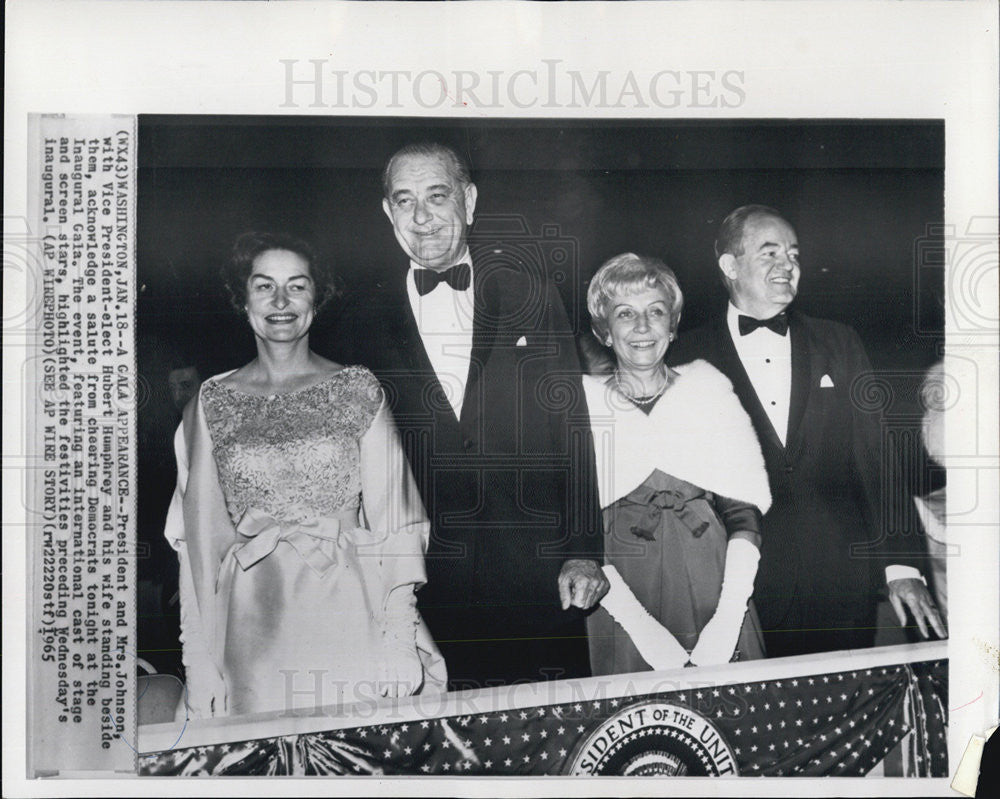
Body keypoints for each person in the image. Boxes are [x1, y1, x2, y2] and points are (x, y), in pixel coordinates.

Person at [321, 142, 606, 688]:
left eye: (437, 196)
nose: (422, 217)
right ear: (388, 212)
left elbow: (574, 434)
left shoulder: (534, 294)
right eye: (405, 201)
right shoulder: (356, 327)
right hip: (424, 593)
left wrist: (583, 553)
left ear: (469, 201)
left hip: (539, 578)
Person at [165, 231, 445, 718]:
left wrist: (399, 640)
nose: (280, 301)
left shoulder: (358, 389)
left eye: (296, 286)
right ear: (243, 300)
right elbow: (195, 547)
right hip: (250, 631)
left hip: (353, 617)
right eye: (263, 286)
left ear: (317, 298)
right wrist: (199, 663)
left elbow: (396, 521)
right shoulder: (208, 403)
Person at [669, 205, 945, 657]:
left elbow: (877, 460)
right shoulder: (687, 355)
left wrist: (903, 568)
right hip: (736, 594)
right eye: (770, 252)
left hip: (840, 583)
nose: (788, 265)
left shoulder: (840, 342)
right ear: (730, 265)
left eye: (794, 254)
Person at [582, 253, 771, 674]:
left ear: (673, 324)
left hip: (718, 586)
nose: (643, 326)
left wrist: (726, 623)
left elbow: (744, 515)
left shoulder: (709, 389)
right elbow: (579, 537)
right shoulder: (584, 406)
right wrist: (644, 632)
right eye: (625, 314)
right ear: (605, 332)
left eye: (656, 311)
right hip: (623, 595)